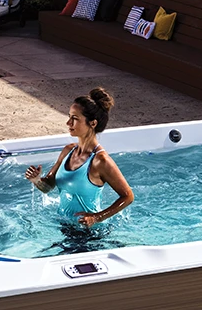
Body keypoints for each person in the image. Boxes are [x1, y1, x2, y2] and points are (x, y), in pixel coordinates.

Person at [24, 88, 134, 227]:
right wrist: (36, 180)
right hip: (64, 227)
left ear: (92, 123)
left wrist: (96, 217)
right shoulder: (68, 151)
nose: (68, 123)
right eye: (69, 117)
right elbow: (48, 187)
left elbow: (128, 196)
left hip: (89, 234)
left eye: (74, 119)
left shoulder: (100, 161)